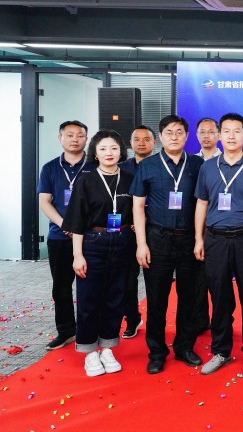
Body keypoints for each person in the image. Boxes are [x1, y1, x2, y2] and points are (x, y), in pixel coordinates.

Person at [194, 113, 243, 376]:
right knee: (220, 298)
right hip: (215, 239)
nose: (231, 136)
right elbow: (202, 203)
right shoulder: (207, 167)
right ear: (219, 135)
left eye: (236, 131)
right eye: (226, 131)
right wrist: (199, 238)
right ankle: (221, 351)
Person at [131, 115, 205, 374]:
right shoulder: (147, 166)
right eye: (169, 132)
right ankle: (157, 352)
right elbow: (138, 207)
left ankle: (185, 347)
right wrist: (141, 244)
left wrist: (200, 238)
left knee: (189, 297)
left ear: (187, 136)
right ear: (160, 137)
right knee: (157, 299)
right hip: (158, 238)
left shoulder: (197, 164)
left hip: (189, 239)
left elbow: (204, 203)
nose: (174, 137)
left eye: (179, 132)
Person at [61, 130, 135, 377]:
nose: (109, 153)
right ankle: (89, 351)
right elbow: (77, 221)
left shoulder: (130, 178)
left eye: (114, 148)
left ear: (121, 151)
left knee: (116, 298)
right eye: (103, 149)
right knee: (89, 298)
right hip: (93, 243)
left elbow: (138, 211)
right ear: (95, 153)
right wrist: (77, 255)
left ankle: (107, 348)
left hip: (122, 242)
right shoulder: (86, 181)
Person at [37, 120, 96, 350]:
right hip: (59, 237)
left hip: (90, 237)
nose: (75, 139)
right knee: (61, 287)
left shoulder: (94, 166)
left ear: (86, 139)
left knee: (90, 286)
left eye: (80, 135)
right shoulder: (50, 168)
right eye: (69, 135)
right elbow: (45, 202)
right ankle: (66, 331)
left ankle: (89, 330)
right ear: (60, 138)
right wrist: (66, 224)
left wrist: (81, 227)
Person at [119, 125, 155, 340]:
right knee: (127, 280)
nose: (141, 143)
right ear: (130, 143)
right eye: (137, 139)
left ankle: (156, 324)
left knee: (155, 281)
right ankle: (132, 319)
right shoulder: (121, 168)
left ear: (154, 142)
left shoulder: (160, 165)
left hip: (155, 230)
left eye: (146, 139)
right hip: (128, 232)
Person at [193, 117, 220, 335]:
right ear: (196, 135)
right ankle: (201, 320)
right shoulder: (192, 162)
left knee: (220, 280)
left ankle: (221, 320)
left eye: (211, 132)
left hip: (220, 228)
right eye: (202, 132)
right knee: (198, 278)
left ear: (219, 135)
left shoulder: (229, 160)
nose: (206, 136)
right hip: (196, 227)